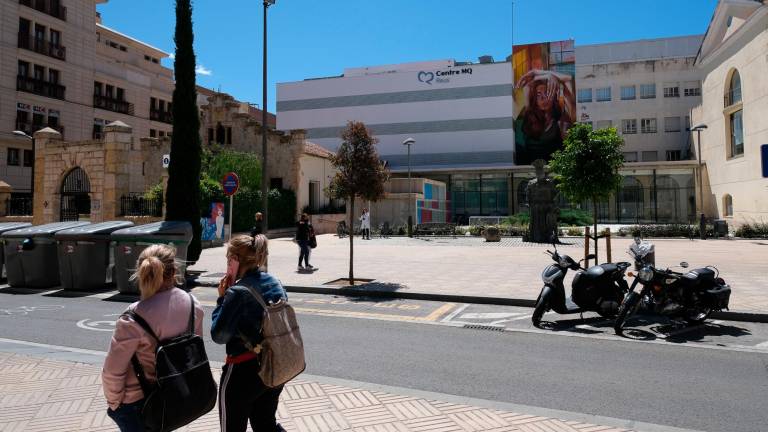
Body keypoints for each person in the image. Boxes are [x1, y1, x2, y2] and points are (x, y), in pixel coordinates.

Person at [102, 245, 204, 432]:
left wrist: (114, 403)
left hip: (137, 403)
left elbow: (113, 371)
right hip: (174, 395)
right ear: (174, 272)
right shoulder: (193, 305)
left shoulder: (133, 317)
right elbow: (193, 352)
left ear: (141, 273)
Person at [211, 234, 287, 432]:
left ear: (235, 261)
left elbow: (219, 335)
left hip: (242, 372)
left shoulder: (237, 292)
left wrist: (221, 300)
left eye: (229, 259)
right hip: (273, 366)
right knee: (265, 423)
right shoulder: (274, 282)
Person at [514, 69, 575, 165]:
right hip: (527, 170)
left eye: (547, 92)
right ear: (534, 99)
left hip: (554, 171)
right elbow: (526, 84)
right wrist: (535, 72)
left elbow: (569, 79)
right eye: (538, 95)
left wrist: (550, 74)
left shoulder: (561, 119)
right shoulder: (528, 115)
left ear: (554, 95)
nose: (543, 98)